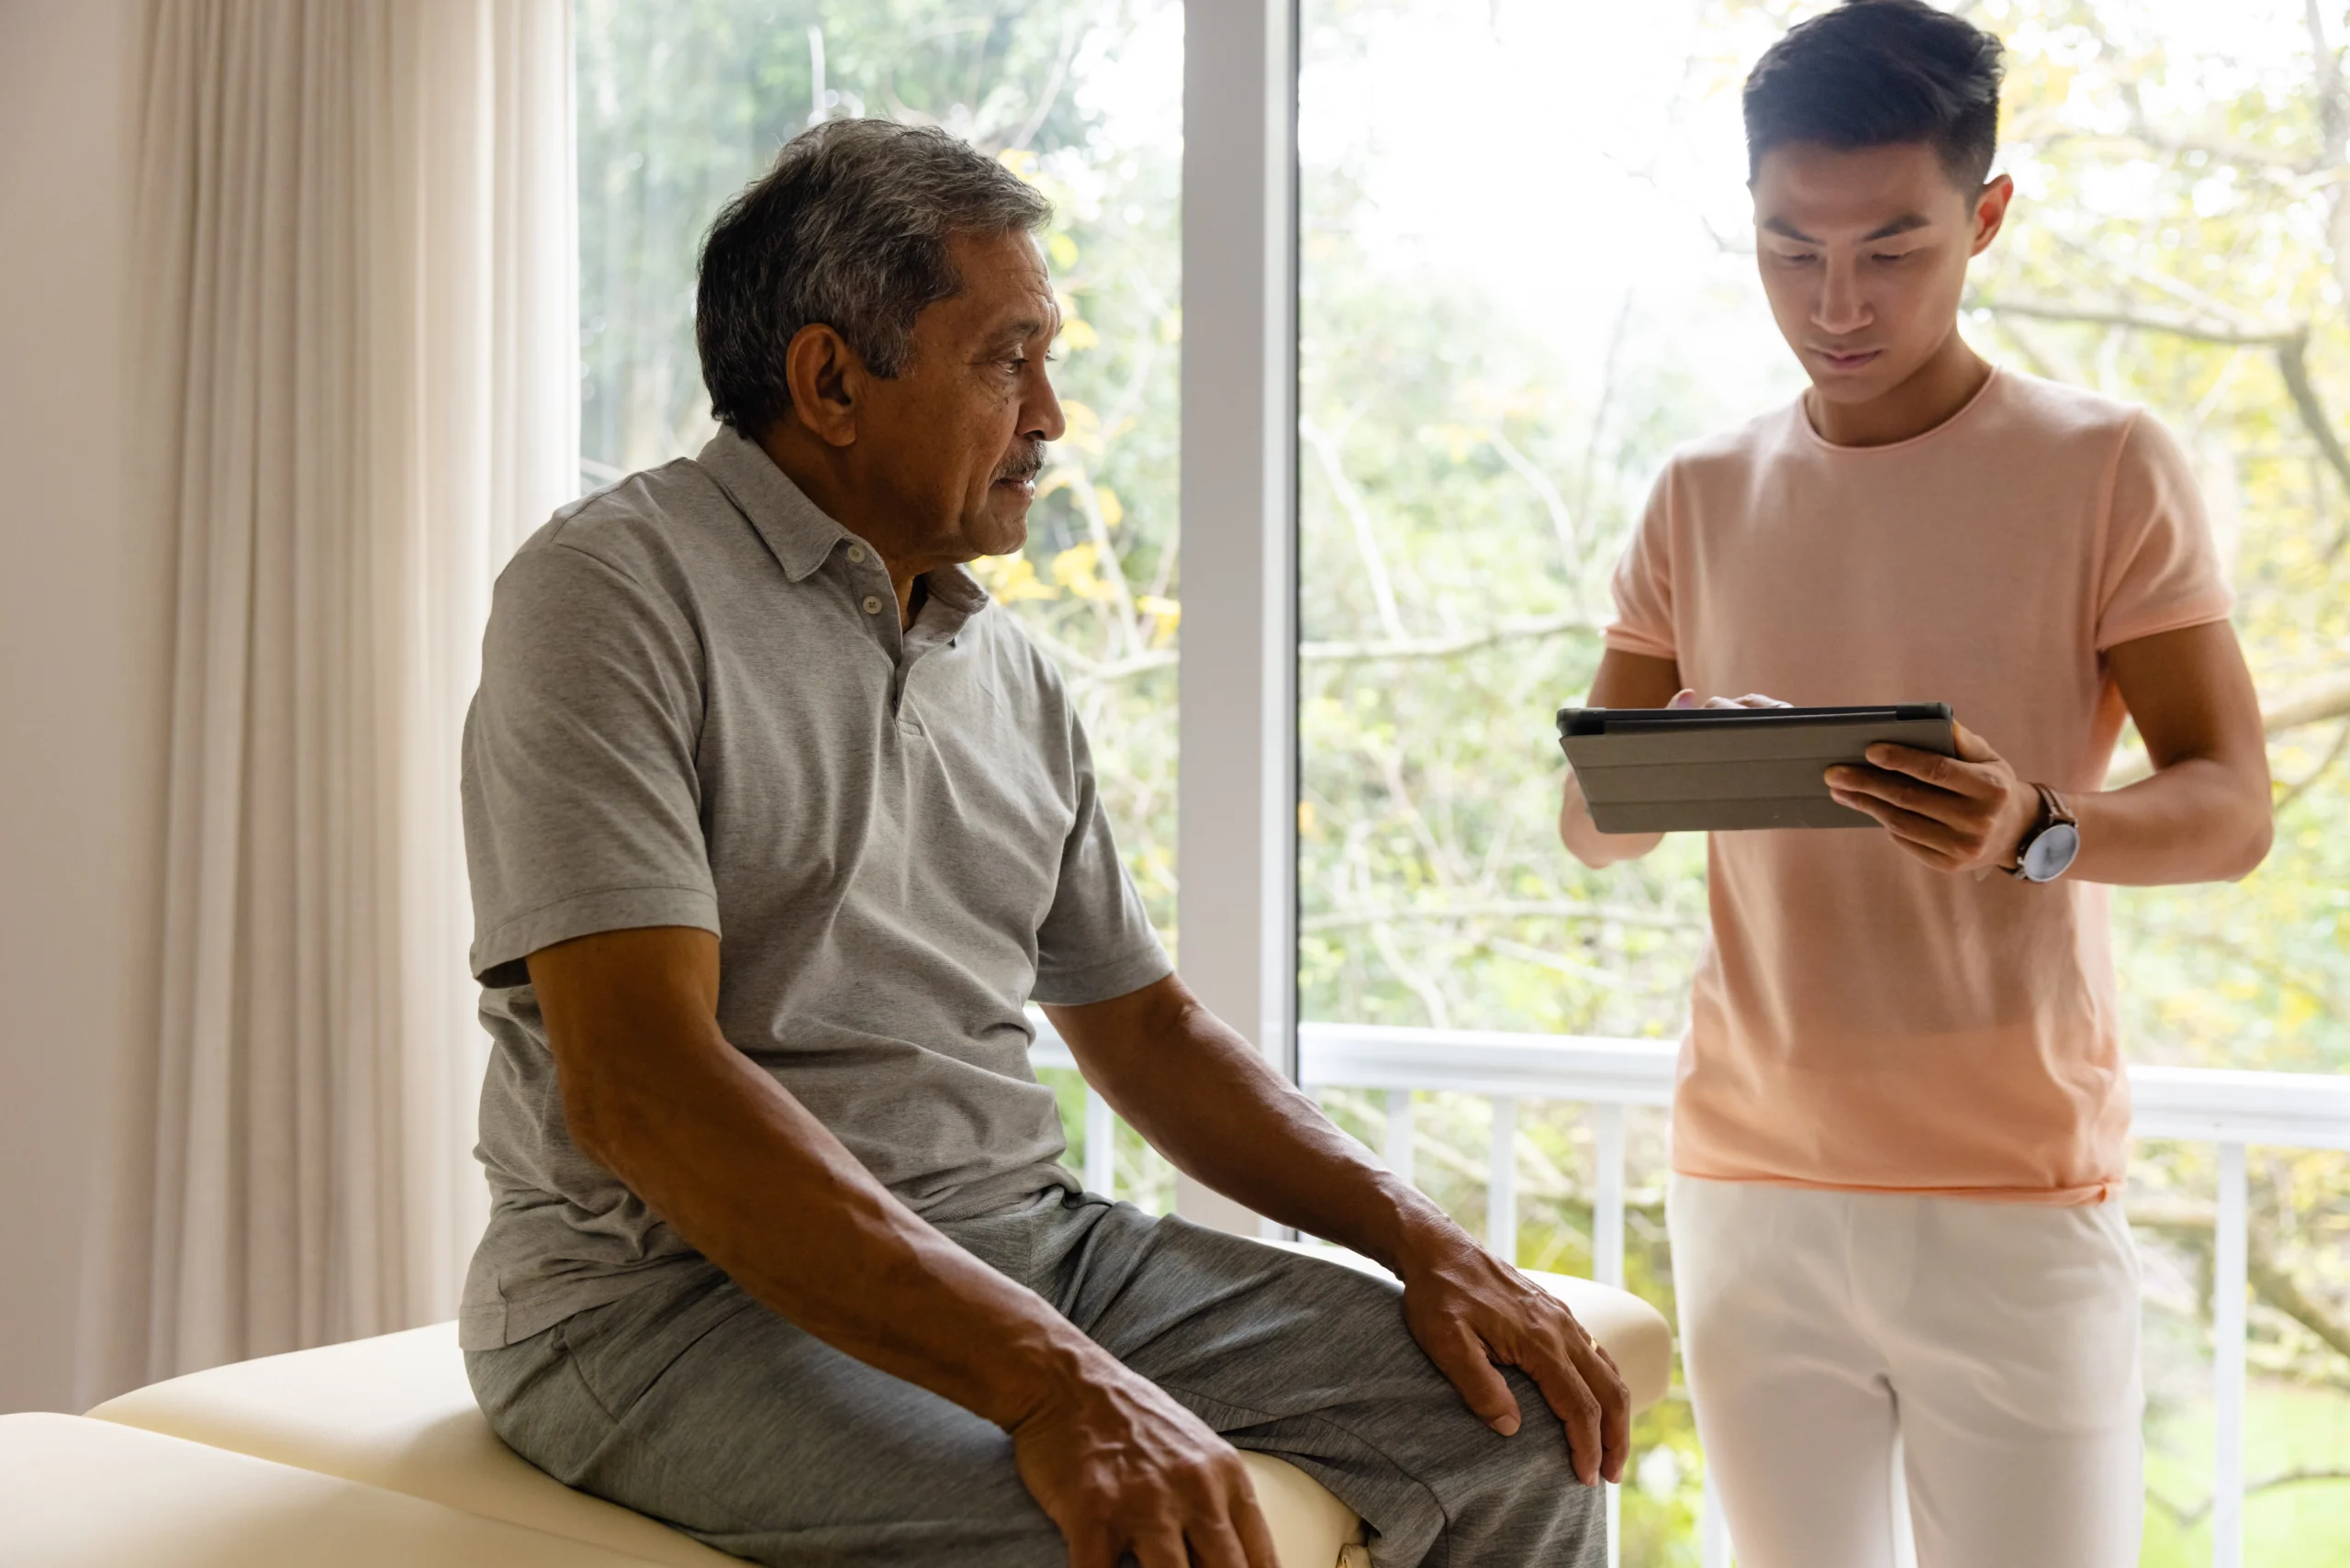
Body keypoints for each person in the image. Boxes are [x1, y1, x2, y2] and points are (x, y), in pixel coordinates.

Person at [460, 118, 1622, 1568]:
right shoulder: (612, 594)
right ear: (829, 381)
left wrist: (1427, 1240)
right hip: (662, 1306)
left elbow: (1145, 1032)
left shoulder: (1003, 667)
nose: (1053, 415)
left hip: (1022, 1238)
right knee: (1116, 1539)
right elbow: (642, 1089)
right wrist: (1061, 1385)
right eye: (1006, 360)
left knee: (1516, 1417)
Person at [1556, 5, 2274, 1566]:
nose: (1837, 302)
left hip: (2011, 1188)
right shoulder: (1699, 492)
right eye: (1788, 248)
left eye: (1893, 249)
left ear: (1986, 217)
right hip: (1747, 1181)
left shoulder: (2105, 466)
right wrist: (1696, 756)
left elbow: (2231, 806)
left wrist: (2041, 829)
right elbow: (1591, 822)